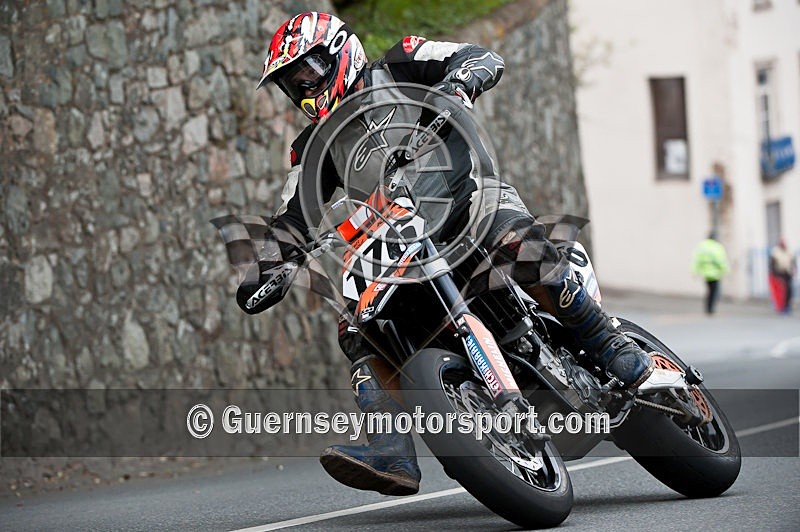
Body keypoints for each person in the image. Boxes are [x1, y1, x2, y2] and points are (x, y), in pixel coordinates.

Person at [238, 11, 658, 496]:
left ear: (339, 52)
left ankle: (610, 344)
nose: (303, 88)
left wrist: (461, 81)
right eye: (292, 84)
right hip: (401, 242)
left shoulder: (399, 63)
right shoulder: (313, 147)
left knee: (517, 245)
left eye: (307, 73)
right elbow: (293, 214)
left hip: (468, 200)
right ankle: (390, 450)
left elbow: (478, 55)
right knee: (354, 323)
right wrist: (274, 262)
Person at [692, 232, 729, 315]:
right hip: (715, 274)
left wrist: (695, 271)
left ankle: (707, 307)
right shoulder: (717, 246)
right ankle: (711, 308)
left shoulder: (702, 246)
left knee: (709, 291)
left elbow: (697, 260)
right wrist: (725, 270)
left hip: (706, 273)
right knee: (714, 291)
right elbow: (720, 260)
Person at [770, 237, 796, 314]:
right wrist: (776, 275)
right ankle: (781, 306)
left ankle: (787, 306)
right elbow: (772, 265)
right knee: (781, 292)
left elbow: (793, 262)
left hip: (787, 273)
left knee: (789, 290)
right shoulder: (775, 252)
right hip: (779, 273)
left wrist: (793, 270)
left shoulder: (789, 252)